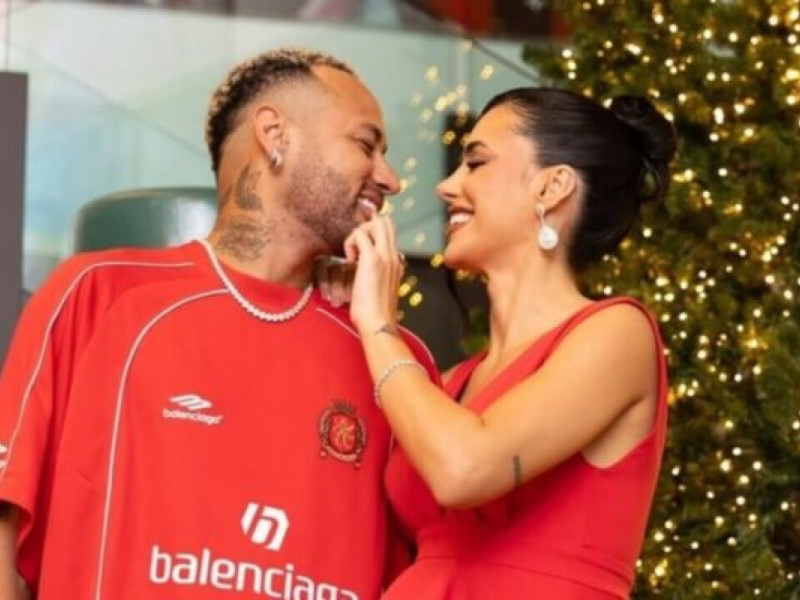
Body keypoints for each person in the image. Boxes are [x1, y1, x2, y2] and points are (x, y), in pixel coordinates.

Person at [0, 48, 437, 599]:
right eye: (366, 145)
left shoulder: (395, 359)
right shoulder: (95, 296)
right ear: (275, 134)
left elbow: (435, 564)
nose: (391, 179)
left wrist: (375, 324)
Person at [341, 88, 677, 598]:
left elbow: (464, 469)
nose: (446, 186)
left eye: (476, 162)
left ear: (553, 186)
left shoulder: (618, 334)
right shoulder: (447, 386)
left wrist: (377, 323)